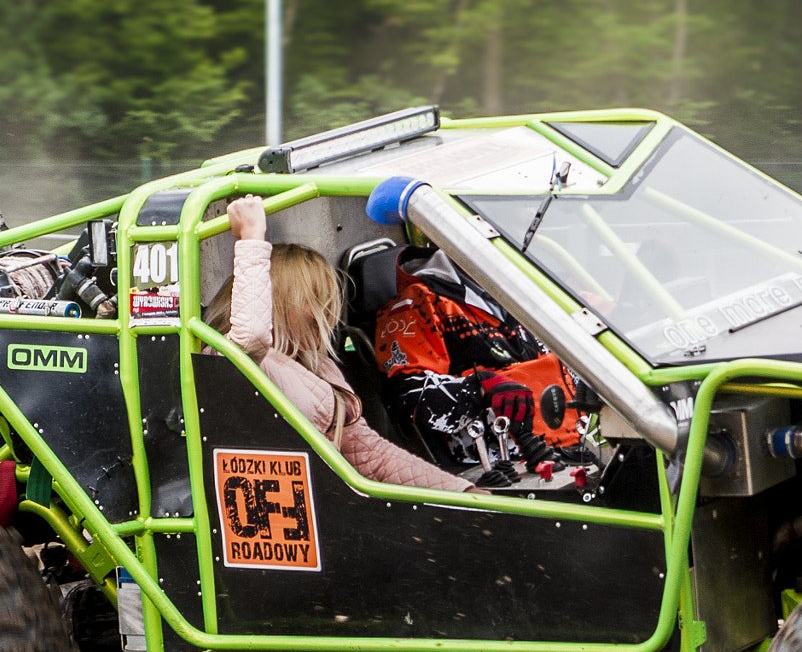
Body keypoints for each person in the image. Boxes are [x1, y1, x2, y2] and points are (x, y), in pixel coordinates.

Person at [223, 195, 474, 493]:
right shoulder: (231, 352)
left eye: (328, 301)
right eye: (314, 301)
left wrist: (462, 493)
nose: (326, 314)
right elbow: (251, 336)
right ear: (280, 301)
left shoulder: (320, 366)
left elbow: (372, 455)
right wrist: (252, 237)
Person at [373, 245, 589, 470]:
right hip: (501, 462)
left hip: (578, 444)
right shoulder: (418, 302)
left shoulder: (524, 284)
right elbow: (408, 396)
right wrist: (479, 387)